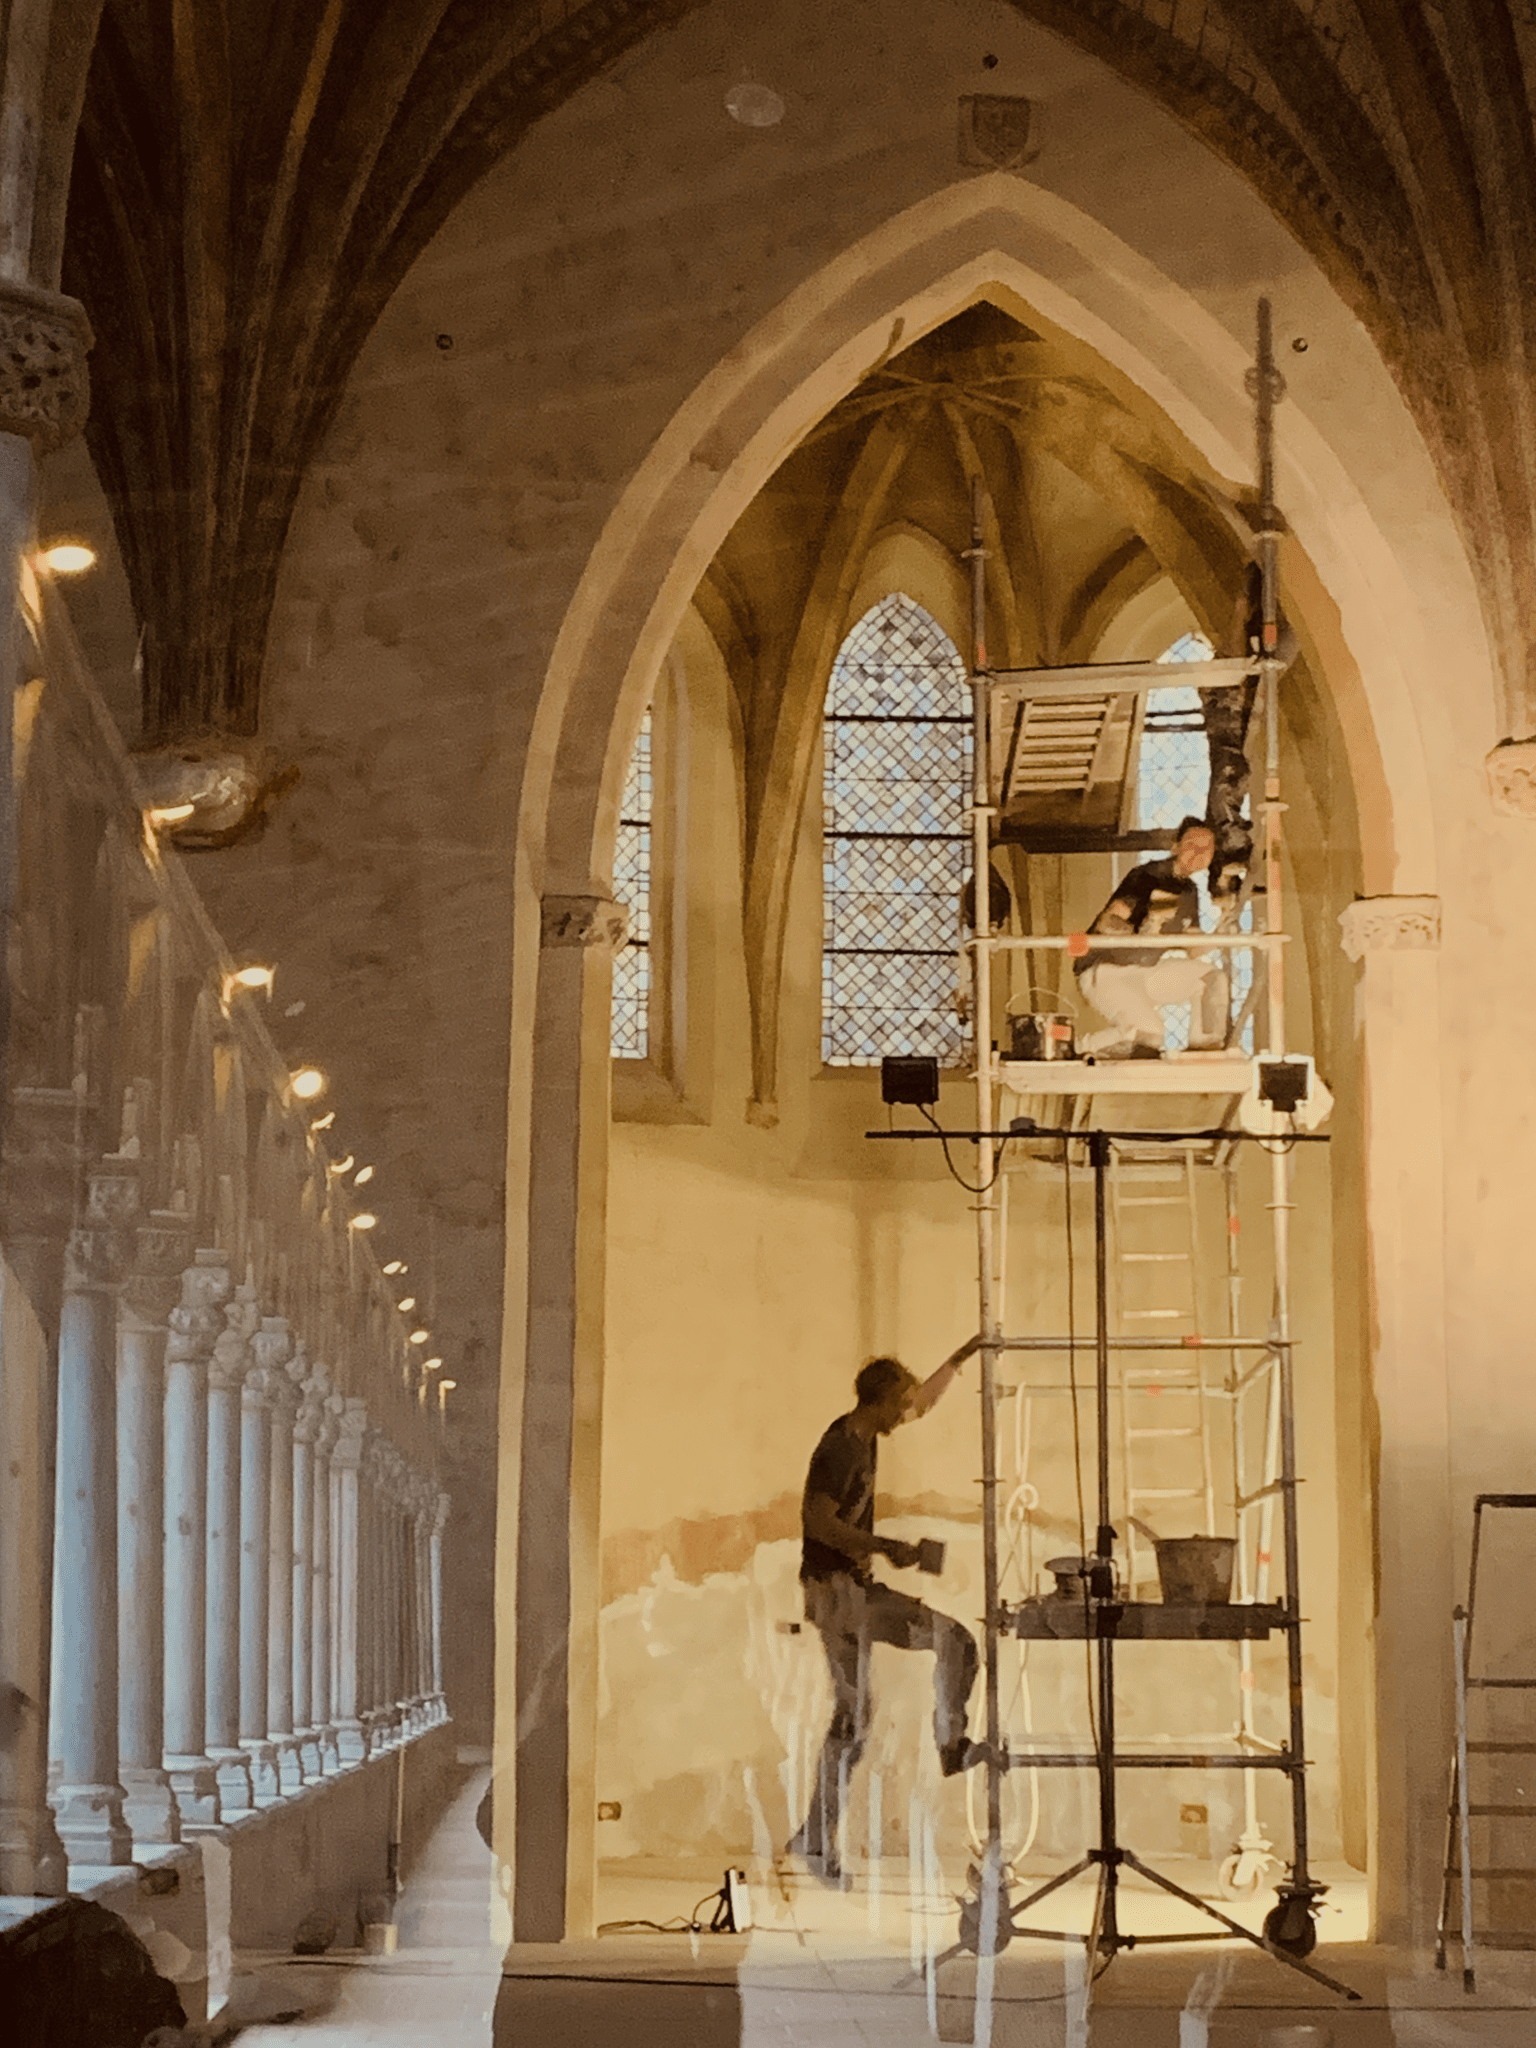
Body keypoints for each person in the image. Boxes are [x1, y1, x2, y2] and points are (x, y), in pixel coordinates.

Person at [786, 1347, 981, 1885]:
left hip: (857, 1591)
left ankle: (951, 1743)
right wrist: (886, 1545)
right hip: (837, 1594)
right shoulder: (840, 1448)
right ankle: (815, 1839)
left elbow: (924, 1404)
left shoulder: (869, 1431)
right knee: (852, 1719)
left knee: (955, 1640)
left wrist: (962, 1357)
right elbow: (817, 1523)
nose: (907, 1413)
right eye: (900, 1403)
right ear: (879, 1400)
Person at [1074, 818, 1227, 1059]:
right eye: (1192, 845)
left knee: (1211, 979)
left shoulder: (1189, 891)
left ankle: (1204, 1044)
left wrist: (1223, 932)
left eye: (1206, 848)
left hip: (1144, 973)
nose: (1198, 853)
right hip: (1108, 972)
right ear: (1176, 847)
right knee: (1150, 1037)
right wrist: (1142, 930)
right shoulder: (1147, 876)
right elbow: (1108, 922)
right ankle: (1084, 1047)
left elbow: (1193, 948)